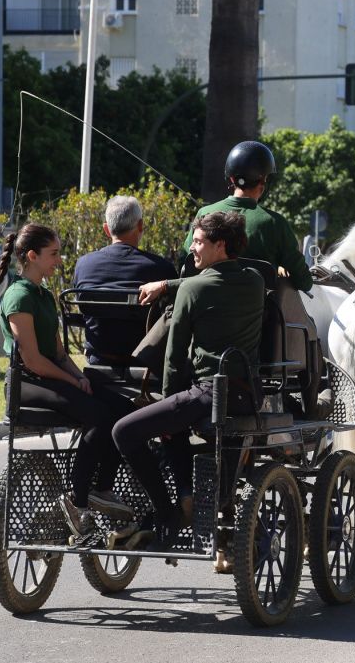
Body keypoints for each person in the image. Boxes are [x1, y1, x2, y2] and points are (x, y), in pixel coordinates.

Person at [112, 211, 265, 548]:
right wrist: (171, 284)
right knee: (175, 421)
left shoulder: (193, 290)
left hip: (208, 395)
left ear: (220, 245)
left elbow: (174, 355)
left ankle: (169, 509)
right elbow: (215, 280)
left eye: (198, 242)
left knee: (124, 431)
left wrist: (166, 400)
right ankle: (187, 494)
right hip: (247, 397)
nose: (192, 249)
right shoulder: (256, 281)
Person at [0, 224, 135, 537]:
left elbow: (60, 354)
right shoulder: (19, 297)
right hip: (29, 385)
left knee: (123, 411)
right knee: (99, 418)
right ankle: (78, 502)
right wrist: (73, 383)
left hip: (52, 378)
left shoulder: (44, 296)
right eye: (54, 254)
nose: (60, 260)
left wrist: (80, 377)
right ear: (32, 256)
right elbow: (33, 360)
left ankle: (101, 488)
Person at [138, 140, 311, 305]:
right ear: (264, 182)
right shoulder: (275, 223)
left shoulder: (204, 214)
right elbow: (304, 282)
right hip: (258, 324)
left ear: (231, 179)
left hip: (203, 310)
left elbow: (186, 265)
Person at [73, 195, 175, 366]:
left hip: (99, 358)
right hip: (146, 363)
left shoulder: (84, 265)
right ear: (140, 225)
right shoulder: (162, 269)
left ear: (106, 229)